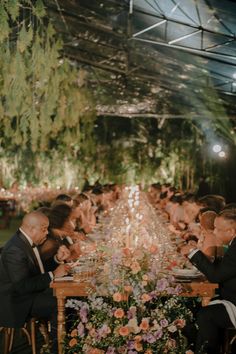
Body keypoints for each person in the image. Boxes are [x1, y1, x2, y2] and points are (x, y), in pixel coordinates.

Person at [0, 210, 70, 353]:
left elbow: (37, 272)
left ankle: (66, 343)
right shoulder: (15, 249)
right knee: (61, 304)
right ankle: (59, 349)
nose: (46, 233)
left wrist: (57, 259)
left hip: (29, 294)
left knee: (67, 298)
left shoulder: (25, 241)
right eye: (44, 229)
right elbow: (22, 286)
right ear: (32, 229)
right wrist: (54, 274)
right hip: (17, 301)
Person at [181, 210, 236, 354]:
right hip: (230, 295)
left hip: (234, 300)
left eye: (218, 229)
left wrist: (193, 252)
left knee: (207, 315)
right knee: (194, 307)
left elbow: (216, 276)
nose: (215, 232)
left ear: (231, 231)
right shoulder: (233, 243)